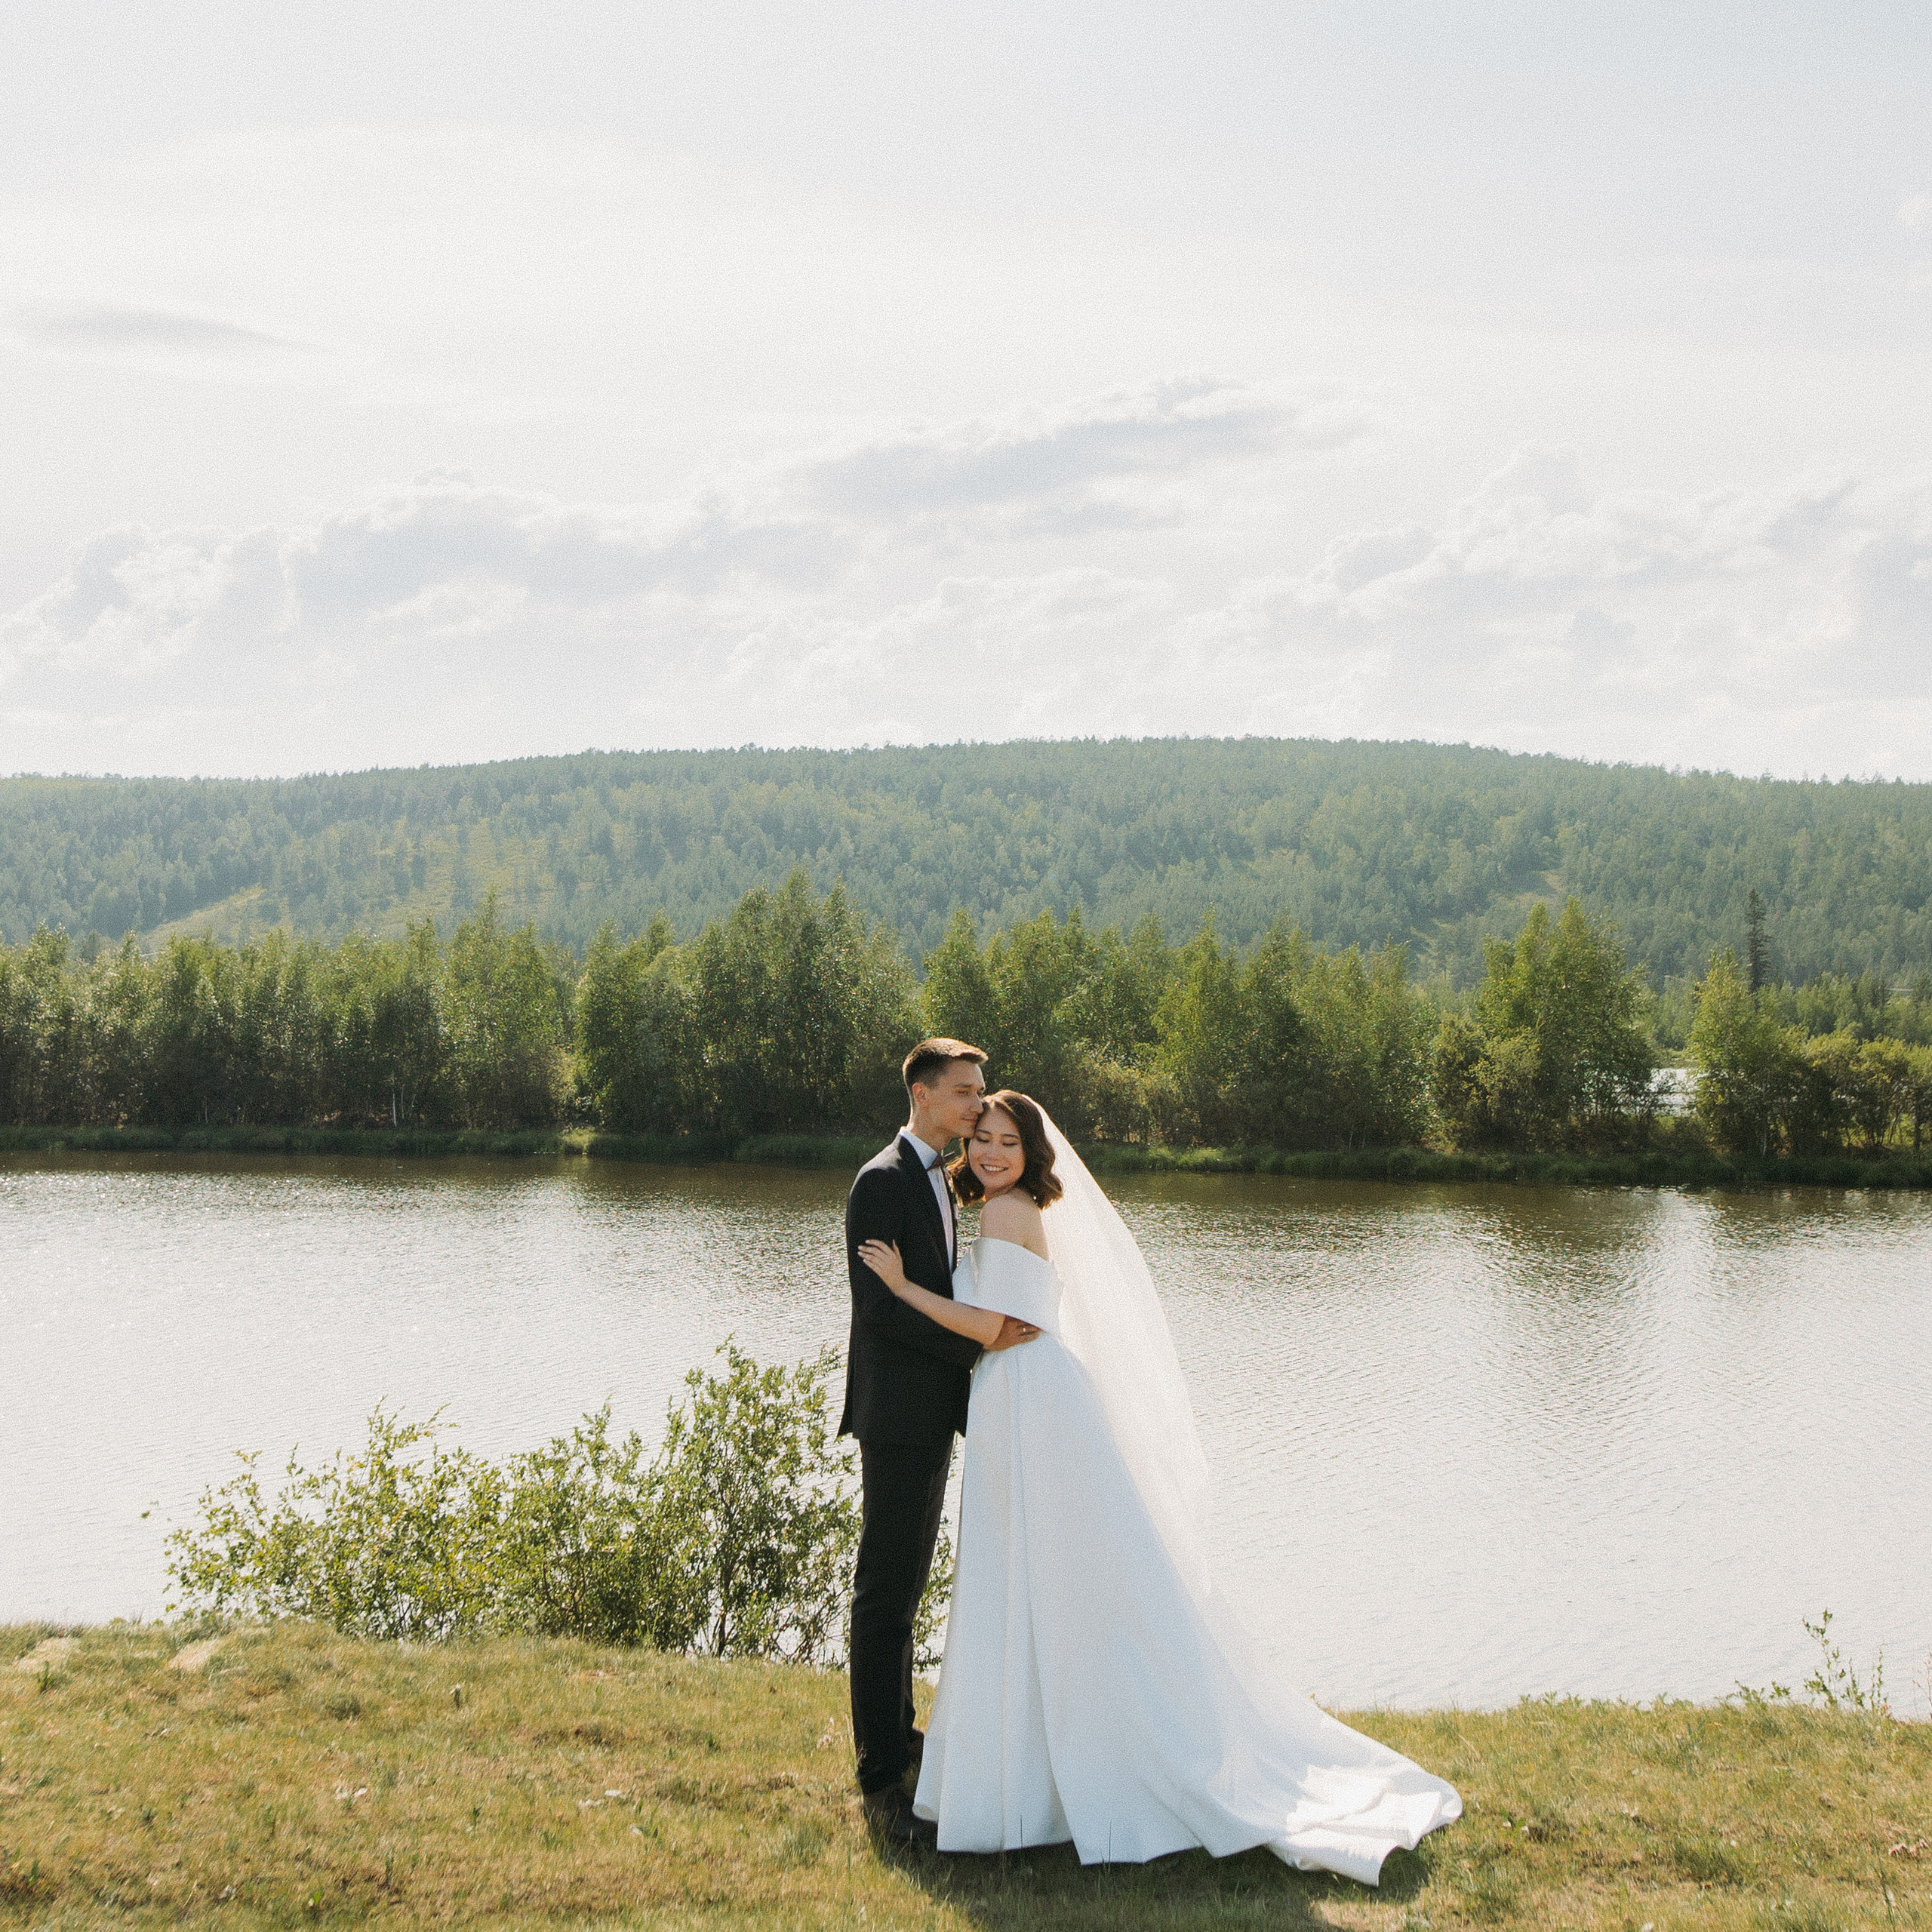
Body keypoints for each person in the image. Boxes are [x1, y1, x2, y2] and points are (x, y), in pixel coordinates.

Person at [855, 1090, 1462, 1884]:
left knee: (1037, 1574)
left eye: (1007, 1141)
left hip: (1029, 1397)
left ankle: (1045, 1768)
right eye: (983, 1140)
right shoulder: (1011, 1206)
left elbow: (994, 1328)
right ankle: (1040, 1759)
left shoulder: (1005, 1211)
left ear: (1031, 1152)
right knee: (1049, 1576)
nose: (992, 1153)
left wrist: (903, 1287)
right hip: (1026, 1395)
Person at [839, 1038, 1040, 1844]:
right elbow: (880, 1311)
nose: (976, 1105)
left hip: (929, 1414)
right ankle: (880, 1778)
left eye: (980, 1092)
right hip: (896, 1416)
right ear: (922, 1094)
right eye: (964, 1092)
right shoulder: (882, 1180)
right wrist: (981, 1344)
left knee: (906, 1587)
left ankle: (901, 1734)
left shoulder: (940, 1178)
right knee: (883, 1594)